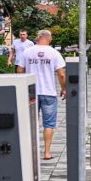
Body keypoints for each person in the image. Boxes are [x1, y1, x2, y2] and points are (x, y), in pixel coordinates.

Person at [16, 30, 67, 161]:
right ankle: (47, 153)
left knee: (30, 122)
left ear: (37, 38)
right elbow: (61, 74)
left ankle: (29, 153)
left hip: (31, 91)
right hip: (48, 92)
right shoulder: (54, 53)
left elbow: (20, 70)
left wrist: (23, 86)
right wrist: (64, 89)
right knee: (49, 124)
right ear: (49, 39)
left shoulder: (27, 52)